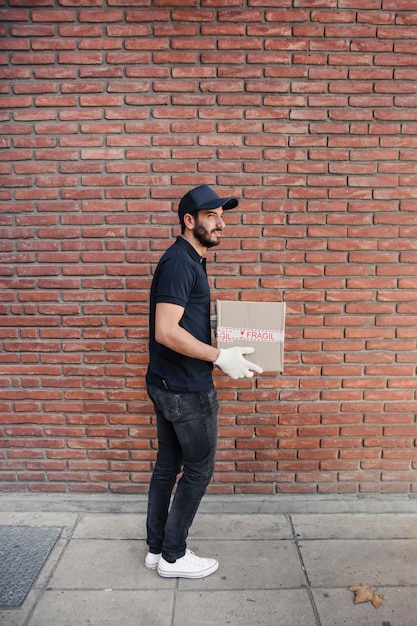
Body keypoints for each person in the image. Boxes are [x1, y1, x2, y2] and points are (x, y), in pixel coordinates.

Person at [144, 184, 263, 579]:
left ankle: (157, 547)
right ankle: (173, 558)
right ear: (189, 221)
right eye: (212, 216)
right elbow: (165, 330)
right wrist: (219, 356)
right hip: (186, 389)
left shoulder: (189, 260)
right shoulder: (180, 263)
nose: (221, 223)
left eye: (222, 215)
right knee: (198, 470)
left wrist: (215, 329)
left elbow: (179, 320)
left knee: (168, 466)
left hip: (167, 383)